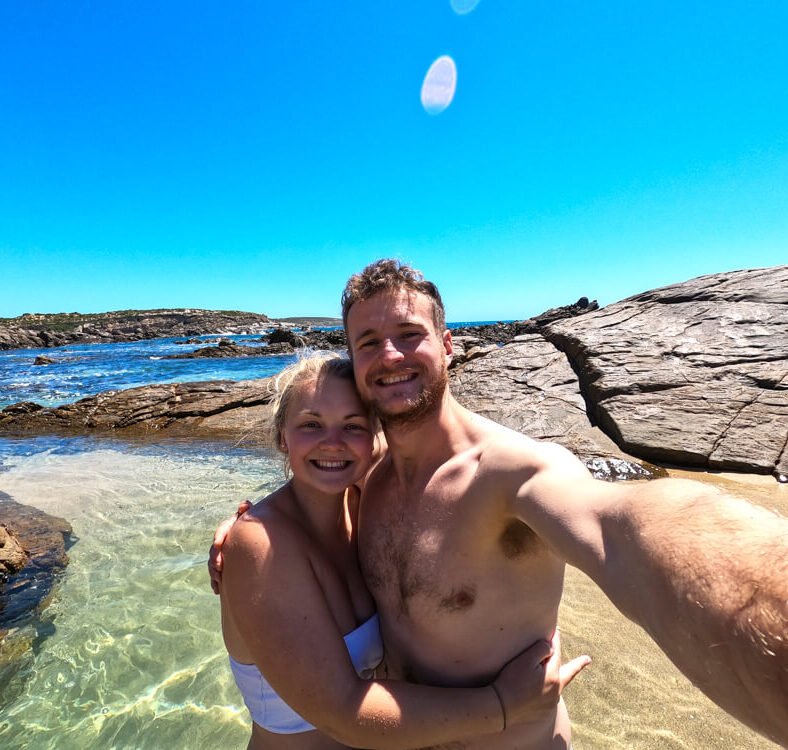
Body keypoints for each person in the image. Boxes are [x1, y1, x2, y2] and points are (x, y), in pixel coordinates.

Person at [214, 260, 788, 748]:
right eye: (367, 342)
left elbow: (624, 529)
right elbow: (309, 497)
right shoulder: (369, 475)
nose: (389, 354)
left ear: (449, 346)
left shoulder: (516, 474)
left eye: (409, 334)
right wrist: (248, 535)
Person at [219, 351, 590, 750]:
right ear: (282, 437)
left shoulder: (365, 511)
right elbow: (345, 713)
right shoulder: (258, 544)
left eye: (352, 425)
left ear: (372, 437)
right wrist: (503, 705)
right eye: (311, 424)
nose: (333, 443)